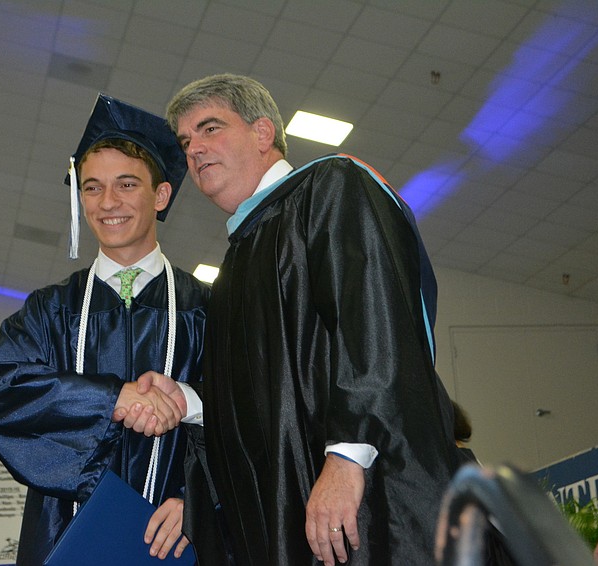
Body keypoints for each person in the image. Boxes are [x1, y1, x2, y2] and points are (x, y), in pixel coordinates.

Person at [162, 74, 461, 566]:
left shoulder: (332, 187)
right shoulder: (238, 261)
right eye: (186, 141)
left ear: (263, 133)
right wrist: (193, 402)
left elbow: (372, 320)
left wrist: (347, 457)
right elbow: (274, 395)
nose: (194, 149)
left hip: (366, 503)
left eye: (210, 128)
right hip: (298, 512)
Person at [0, 94, 209, 564]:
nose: (108, 203)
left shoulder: (208, 307)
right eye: (92, 187)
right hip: (66, 536)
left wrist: (198, 498)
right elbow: (1, 391)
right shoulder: (47, 311)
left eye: (126, 184)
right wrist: (112, 399)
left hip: (179, 534)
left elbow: (257, 410)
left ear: (161, 195)